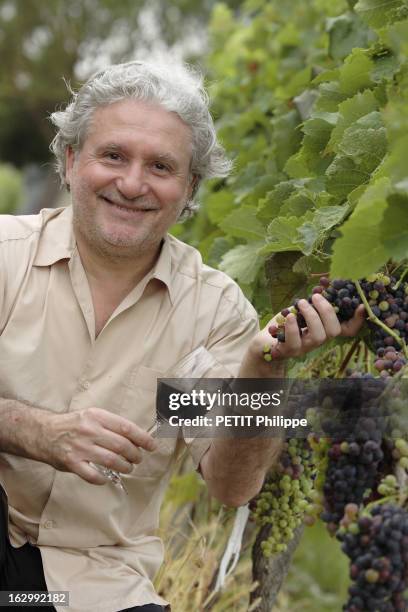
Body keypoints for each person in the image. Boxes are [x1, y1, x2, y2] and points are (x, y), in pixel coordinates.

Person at [0, 60, 365, 612]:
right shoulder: (5, 260)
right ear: (72, 161)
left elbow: (229, 485)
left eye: (162, 166)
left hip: (95, 585)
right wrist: (36, 431)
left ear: (189, 187)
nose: (132, 183)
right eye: (113, 155)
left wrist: (267, 366)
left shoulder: (212, 314)